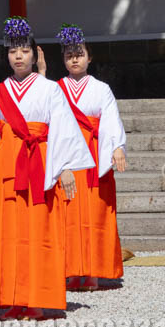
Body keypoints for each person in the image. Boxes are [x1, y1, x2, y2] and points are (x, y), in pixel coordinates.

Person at [0, 17, 95, 320]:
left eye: (23, 50)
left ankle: (36, 299)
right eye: (12, 51)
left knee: (37, 231)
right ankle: (12, 298)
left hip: (41, 163)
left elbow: (63, 127)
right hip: (7, 164)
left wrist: (65, 168)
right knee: (7, 230)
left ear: (35, 54)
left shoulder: (49, 89)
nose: (18, 56)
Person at [37, 24, 128, 291]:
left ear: (89, 57)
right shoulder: (55, 88)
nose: (74, 59)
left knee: (95, 214)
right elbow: (45, 115)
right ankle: (67, 271)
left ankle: (91, 272)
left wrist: (117, 147)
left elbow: (111, 120)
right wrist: (42, 73)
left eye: (79, 54)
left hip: (93, 155)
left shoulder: (101, 88)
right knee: (66, 215)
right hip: (66, 156)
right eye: (68, 55)